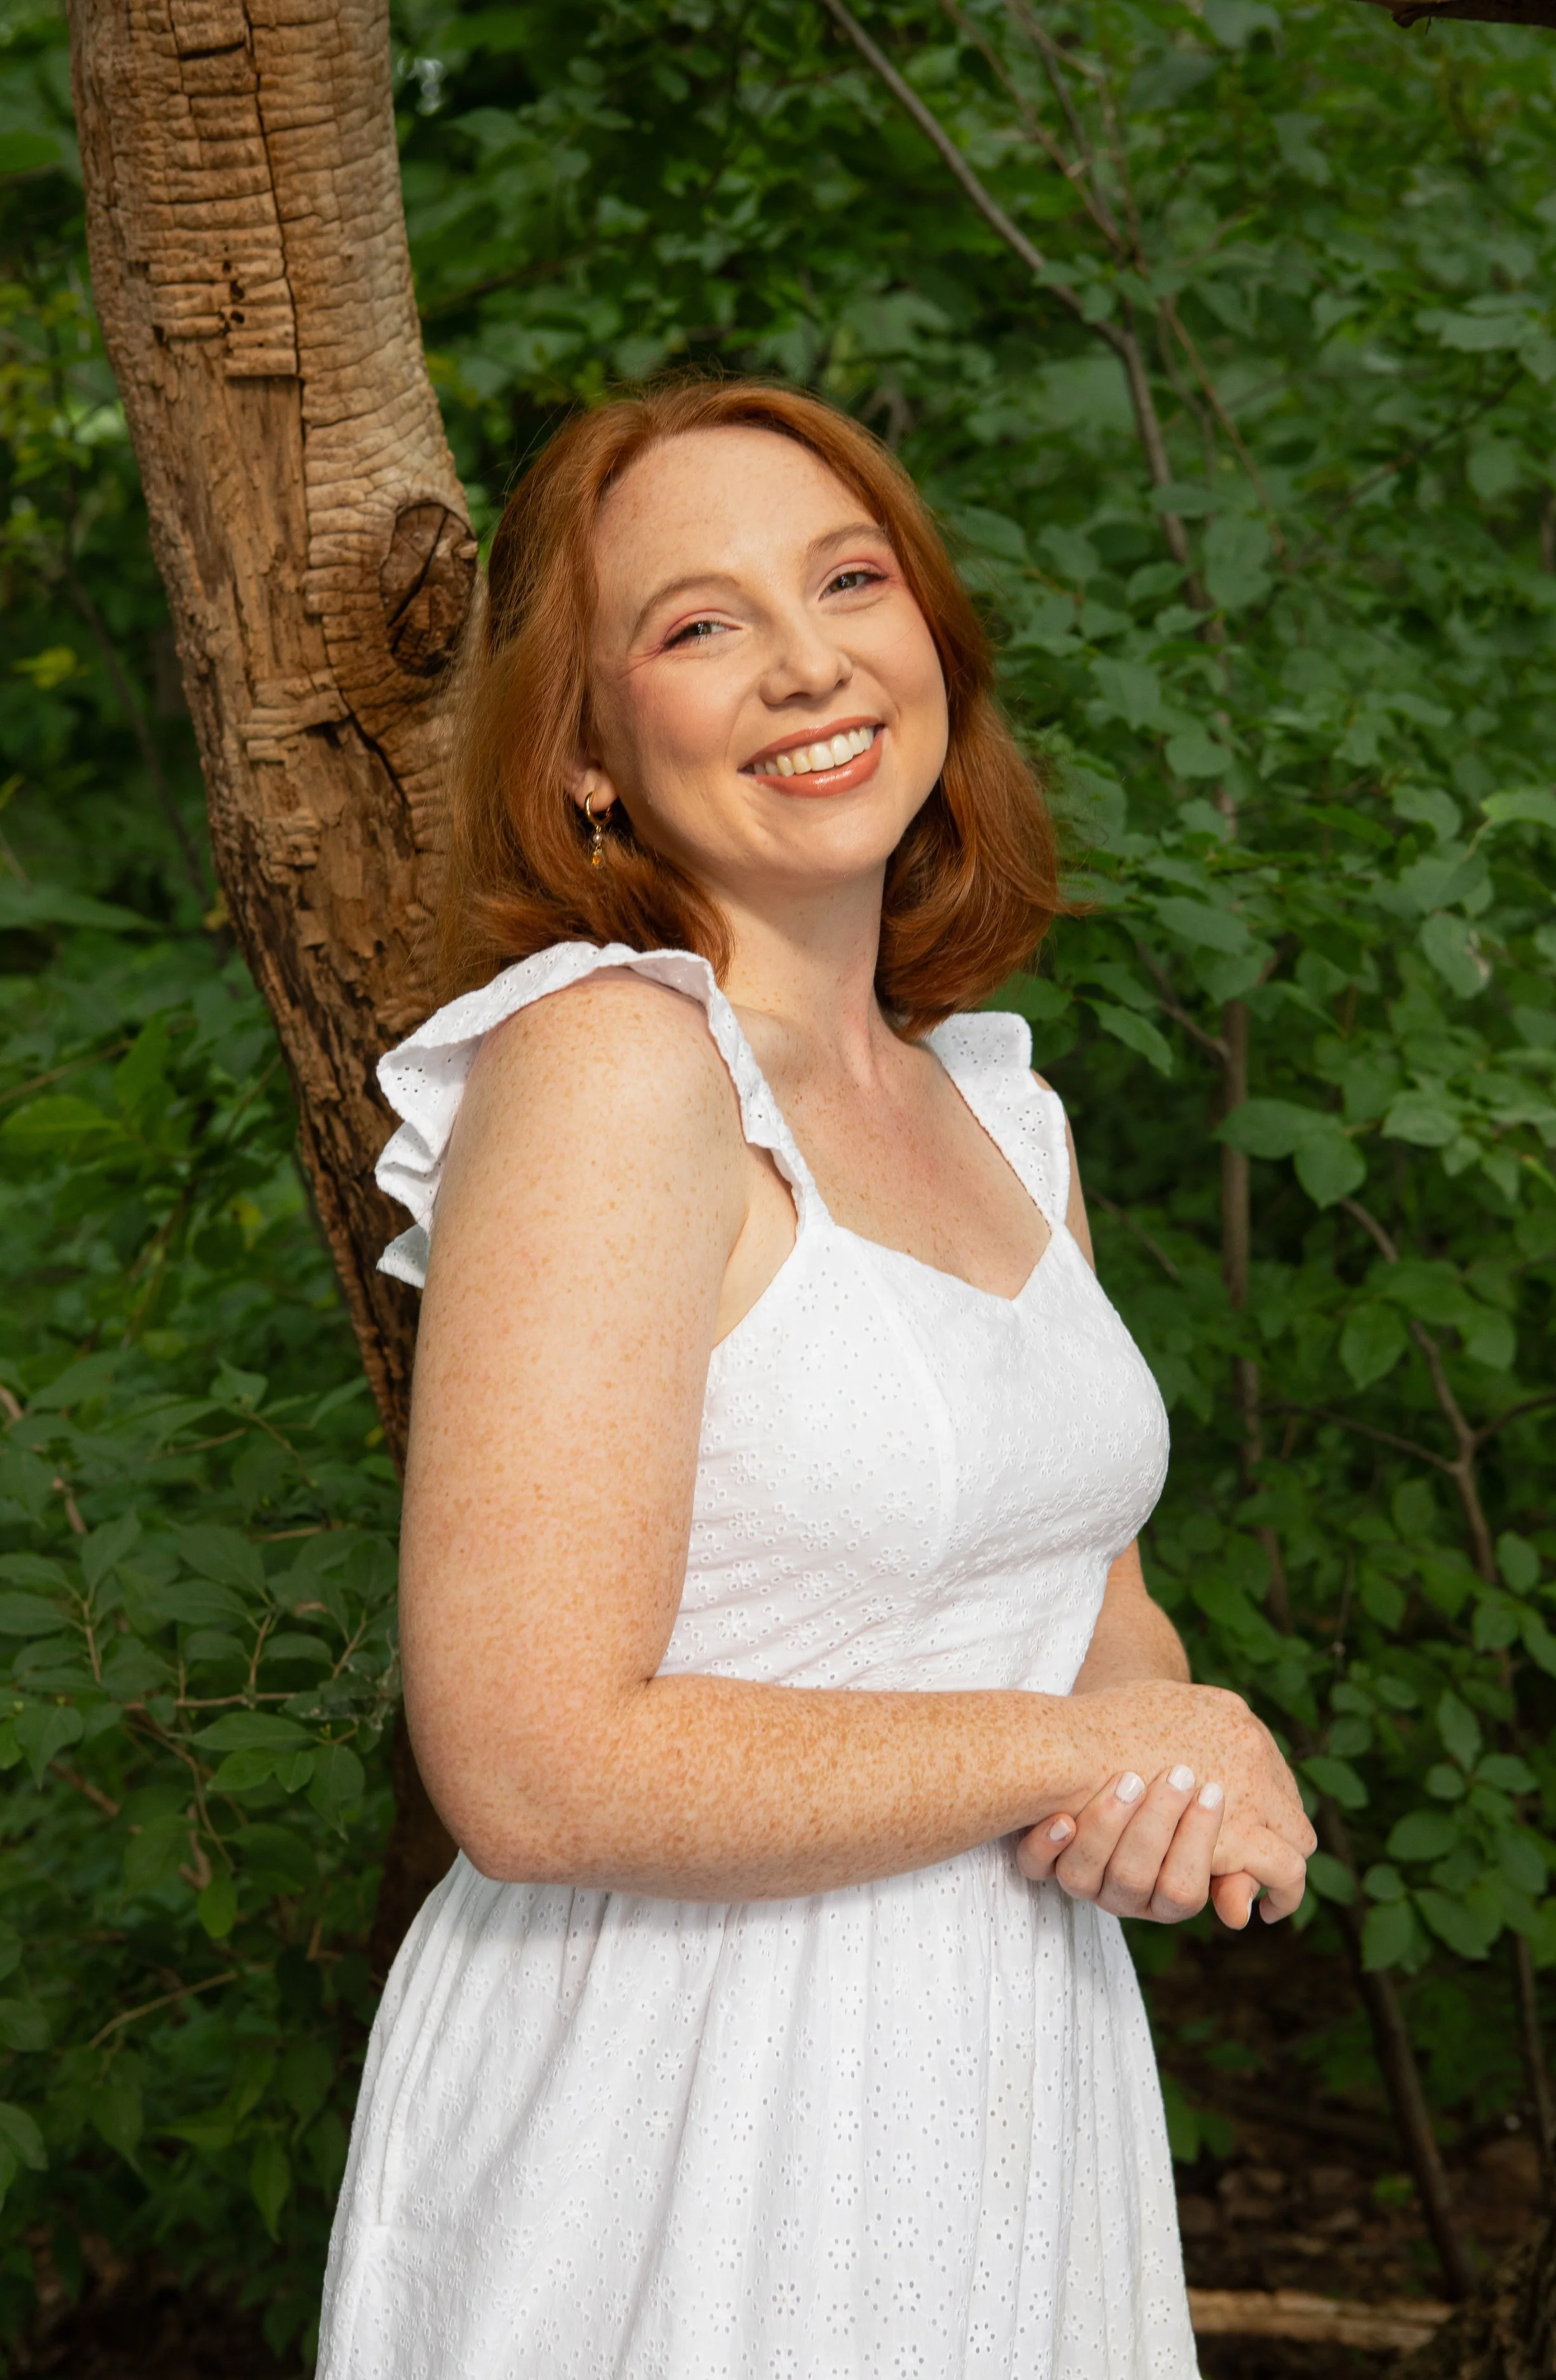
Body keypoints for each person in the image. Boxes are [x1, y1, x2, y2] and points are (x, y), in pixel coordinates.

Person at [316, 378, 1313, 2380]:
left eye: (846, 580)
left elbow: (1090, 1610)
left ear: (929, 639)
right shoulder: (611, 1067)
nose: (803, 663)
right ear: (587, 752)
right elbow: (529, 1763)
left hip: (1002, 2072)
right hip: (689, 2106)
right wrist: (1070, 1751)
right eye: (697, 624)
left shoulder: (991, 1110)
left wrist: (1180, 1752)